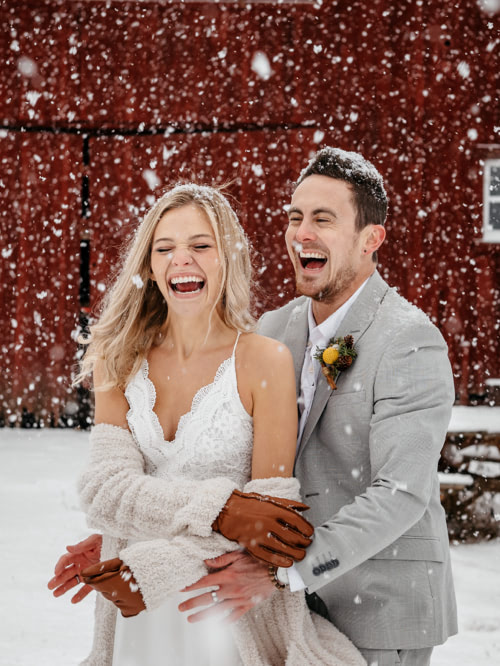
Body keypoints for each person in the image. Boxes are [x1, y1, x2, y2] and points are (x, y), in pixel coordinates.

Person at [49, 183, 366, 666]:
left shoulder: (263, 360)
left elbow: (271, 521)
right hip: (135, 614)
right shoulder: (118, 359)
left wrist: (158, 562)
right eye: (165, 248)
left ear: (226, 258)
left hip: (222, 605)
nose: (183, 261)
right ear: (150, 266)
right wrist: (222, 509)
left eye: (200, 246)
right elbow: (104, 492)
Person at [175, 148, 458, 666]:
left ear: (371, 239)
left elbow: (400, 492)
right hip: (278, 610)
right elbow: (225, 454)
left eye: (322, 219)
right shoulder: (271, 329)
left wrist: (284, 567)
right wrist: (127, 538)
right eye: (295, 217)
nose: (301, 232)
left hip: (377, 607)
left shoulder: (409, 339)